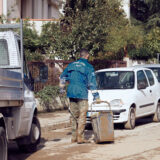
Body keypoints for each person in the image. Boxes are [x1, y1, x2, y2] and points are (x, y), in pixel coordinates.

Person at [59, 49, 100, 144]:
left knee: (73, 115)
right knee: (82, 114)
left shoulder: (71, 65)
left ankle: (73, 137)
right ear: (87, 56)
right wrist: (96, 96)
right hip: (81, 93)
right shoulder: (88, 67)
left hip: (71, 92)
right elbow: (92, 82)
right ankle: (80, 137)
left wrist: (62, 90)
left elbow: (62, 77)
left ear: (80, 55)